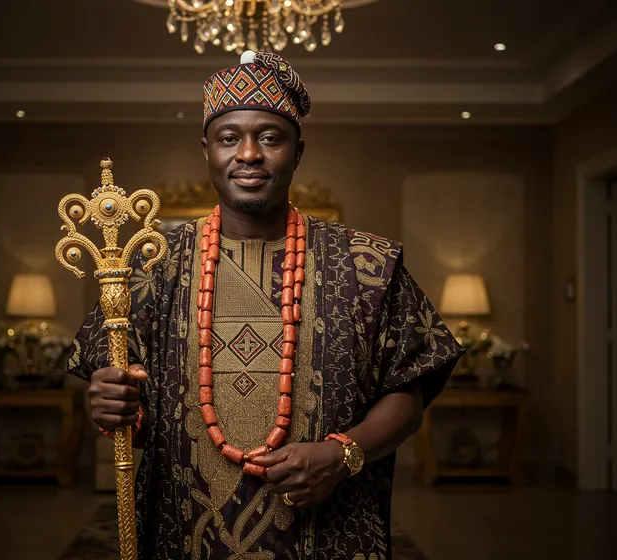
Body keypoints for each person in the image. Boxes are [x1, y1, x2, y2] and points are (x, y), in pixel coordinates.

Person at [67, 50, 463, 560]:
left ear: (298, 152)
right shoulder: (152, 268)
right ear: (207, 149)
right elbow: (129, 413)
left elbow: (409, 392)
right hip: (183, 537)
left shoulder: (369, 265)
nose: (248, 153)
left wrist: (343, 455)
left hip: (331, 536)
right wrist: (109, 406)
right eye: (229, 137)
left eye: (270, 137)